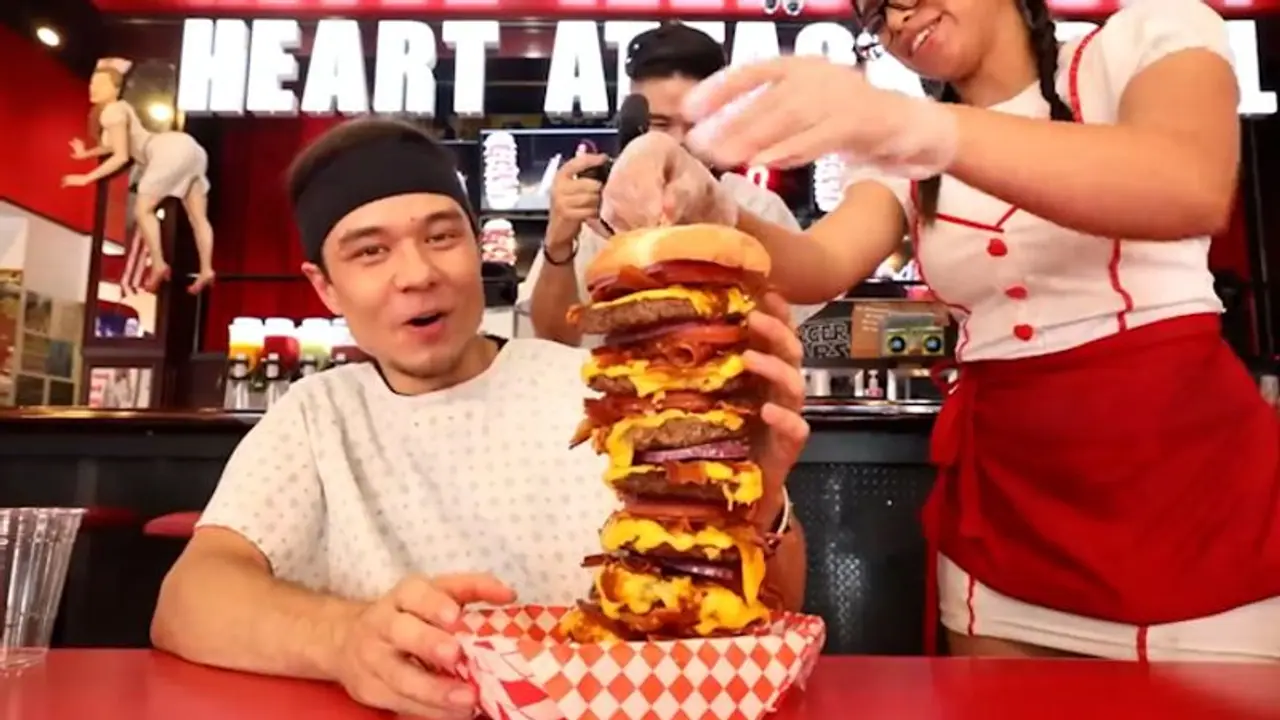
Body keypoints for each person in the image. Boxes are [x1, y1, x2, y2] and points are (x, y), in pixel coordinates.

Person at [599, 0, 1280, 662]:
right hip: (1006, 507)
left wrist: (917, 127)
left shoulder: (1147, 35)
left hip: (1192, 492)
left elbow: (1188, 183)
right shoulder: (901, 151)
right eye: (875, 11)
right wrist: (706, 200)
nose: (897, 17)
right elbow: (820, 263)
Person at [149, 118, 810, 718]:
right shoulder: (319, 417)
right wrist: (342, 639)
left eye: (442, 237)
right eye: (370, 252)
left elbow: (769, 614)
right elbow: (189, 599)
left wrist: (757, 497)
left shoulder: (606, 389)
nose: (417, 274)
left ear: (478, 248)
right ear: (324, 287)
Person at [523, 22, 826, 346]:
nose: (679, 142)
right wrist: (558, 242)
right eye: (660, 125)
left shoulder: (759, 208)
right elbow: (553, 340)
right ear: (631, 124)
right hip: (618, 386)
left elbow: (789, 333)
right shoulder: (600, 210)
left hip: (727, 387)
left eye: (697, 125)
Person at [64, 58, 216, 294]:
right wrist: (86, 154)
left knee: (142, 210)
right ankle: (206, 268)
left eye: (100, 84)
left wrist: (86, 178)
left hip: (164, 151)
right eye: (92, 83)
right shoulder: (119, 110)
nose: (93, 88)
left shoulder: (113, 112)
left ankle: (158, 263)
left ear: (115, 89)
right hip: (190, 148)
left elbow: (121, 156)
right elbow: (112, 146)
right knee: (197, 216)